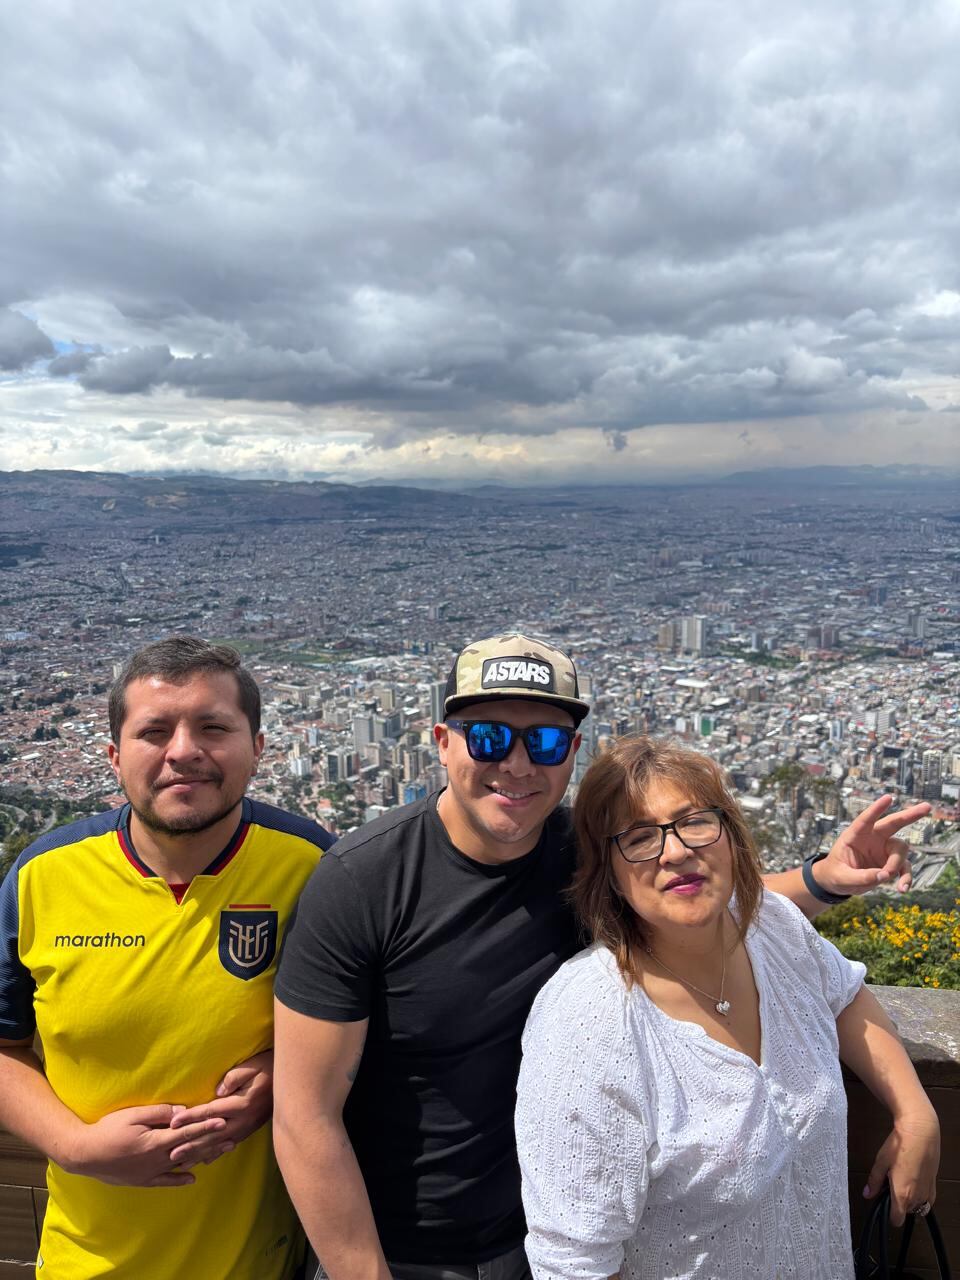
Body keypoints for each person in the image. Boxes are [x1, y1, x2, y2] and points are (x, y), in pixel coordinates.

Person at [273, 632, 928, 1280]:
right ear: (443, 744)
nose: (520, 764)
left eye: (547, 741)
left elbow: (695, 896)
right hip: (403, 1246)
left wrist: (823, 880)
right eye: (490, 738)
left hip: (540, 1229)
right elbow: (304, 1116)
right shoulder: (363, 882)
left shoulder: (582, 848)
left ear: (572, 752)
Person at [516, 736, 940, 1280]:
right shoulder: (587, 1028)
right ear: (609, 873)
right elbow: (573, 1263)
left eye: (694, 822)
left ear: (731, 837)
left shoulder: (771, 927)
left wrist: (914, 1112)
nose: (674, 851)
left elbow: (843, 993)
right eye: (639, 837)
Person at [0, 637, 334, 1279]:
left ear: (258, 748)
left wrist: (281, 1072)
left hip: (262, 1262)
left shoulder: (312, 866)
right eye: (155, 731)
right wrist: (75, 1147)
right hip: (86, 1258)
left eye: (214, 727)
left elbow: (368, 1022)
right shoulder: (42, 876)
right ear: (114, 755)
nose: (184, 751)